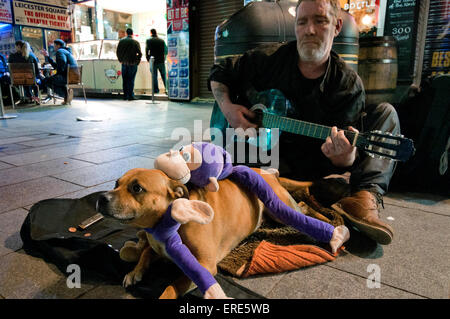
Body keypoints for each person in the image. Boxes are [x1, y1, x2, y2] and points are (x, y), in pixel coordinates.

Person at [208, 0, 400, 245]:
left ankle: (361, 199)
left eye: (320, 21)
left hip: (309, 167)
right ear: (296, 27)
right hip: (261, 156)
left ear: (337, 26)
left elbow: (344, 161)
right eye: (302, 22)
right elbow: (218, 72)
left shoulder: (347, 85)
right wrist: (229, 109)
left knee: (386, 114)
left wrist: (344, 156)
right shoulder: (269, 59)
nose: (310, 30)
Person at [41, 39, 78, 104]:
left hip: (66, 77)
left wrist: (58, 73)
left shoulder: (60, 51)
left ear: (58, 45)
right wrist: (48, 57)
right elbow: (58, 66)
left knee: (46, 81)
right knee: (55, 80)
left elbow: (62, 62)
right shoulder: (67, 51)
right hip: (73, 76)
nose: (53, 47)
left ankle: (66, 94)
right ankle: (66, 96)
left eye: (54, 45)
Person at [116, 28, 142, 100]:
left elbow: (118, 52)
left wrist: (120, 60)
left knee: (125, 80)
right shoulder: (135, 42)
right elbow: (139, 53)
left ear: (126, 33)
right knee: (131, 80)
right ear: (132, 34)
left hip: (124, 64)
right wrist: (137, 61)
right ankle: (130, 96)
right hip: (133, 64)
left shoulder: (121, 41)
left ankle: (125, 96)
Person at [145, 28, 168, 94]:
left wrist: (148, 58)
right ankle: (167, 90)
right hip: (161, 61)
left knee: (154, 76)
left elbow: (147, 51)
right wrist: (164, 58)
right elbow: (166, 51)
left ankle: (156, 90)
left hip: (153, 61)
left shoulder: (148, 40)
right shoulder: (161, 41)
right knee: (164, 76)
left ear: (151, 33)